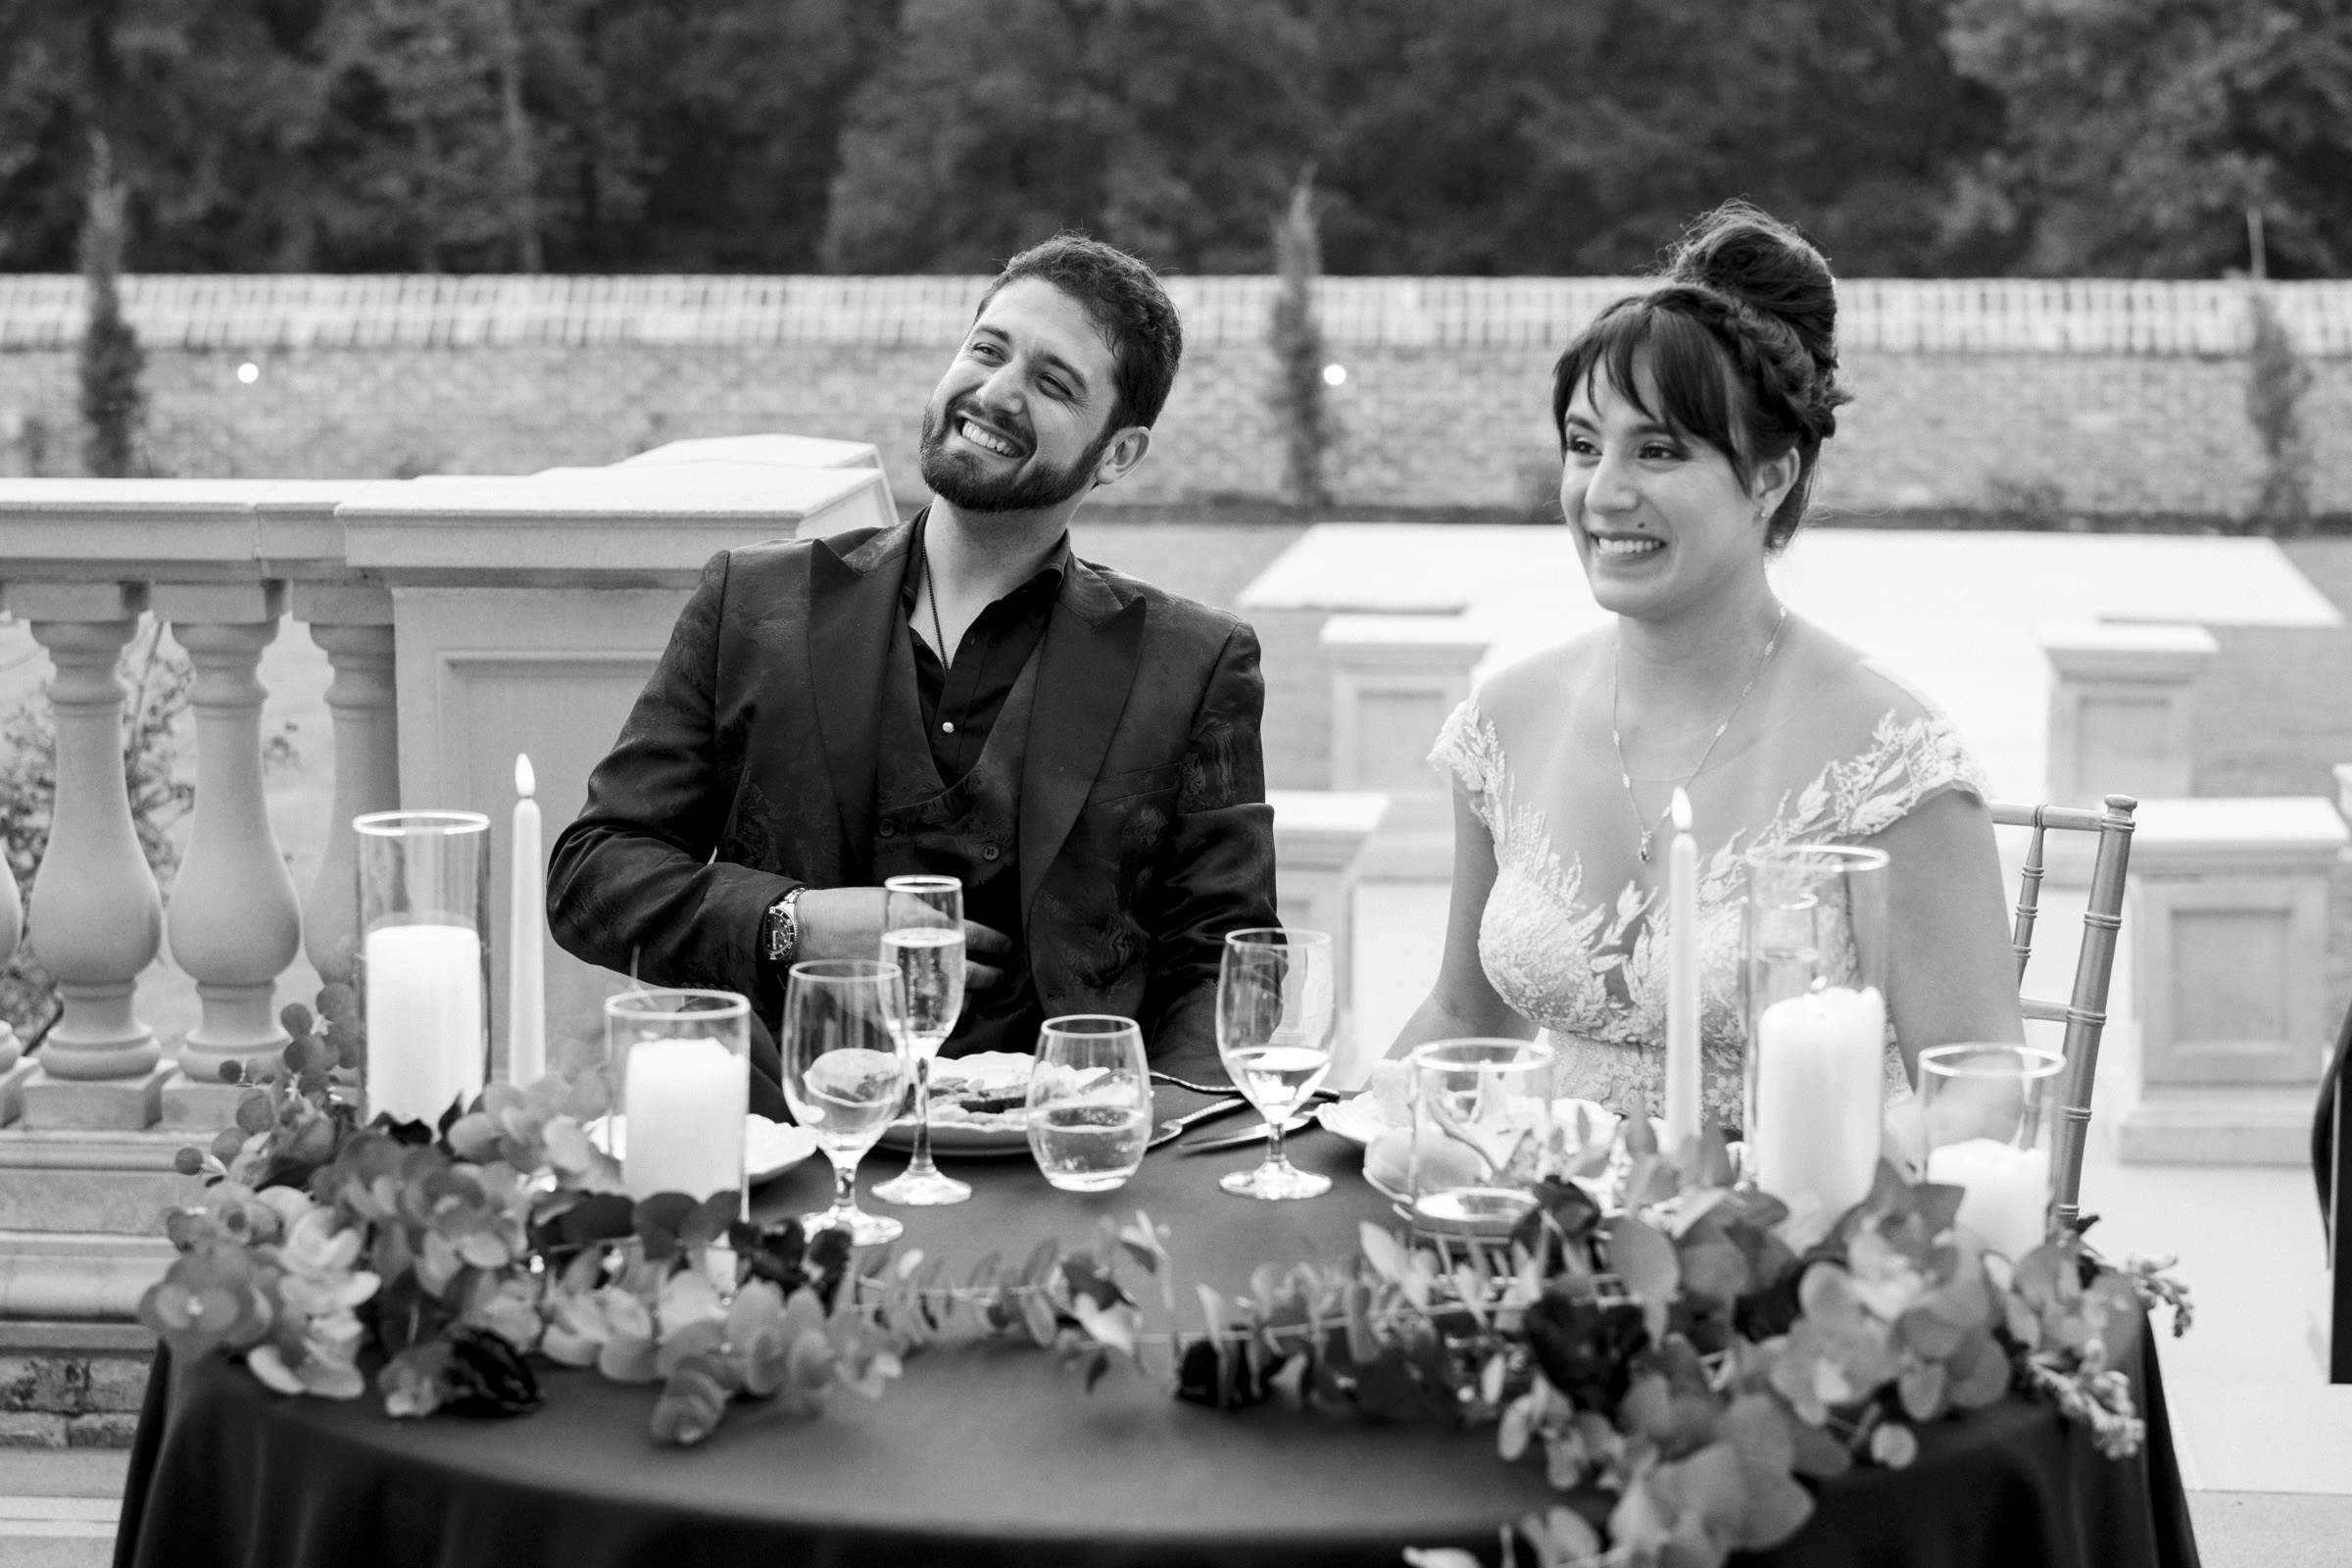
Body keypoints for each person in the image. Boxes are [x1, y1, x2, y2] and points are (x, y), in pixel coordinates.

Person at [548, 234, 1277, 1117]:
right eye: (987, 349)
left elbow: (1229, 965)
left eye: (1053, 383)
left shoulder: (1194, 662)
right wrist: (798, 922)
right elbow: (592, 876)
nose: (997, 393)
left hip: (1059, 1178)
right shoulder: (752, 603)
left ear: (1118, 454)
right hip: (792, 1154)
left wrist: (1136, 1139)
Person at [1389, 202, 2021, 1128]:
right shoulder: (1505, 724)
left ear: (1770, 476)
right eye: (1581, 445)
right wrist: (1330, 1137)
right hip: (1533, 1242)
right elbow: (1459, 1017)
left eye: (1658, 451)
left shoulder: (1890, 760)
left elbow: (1981, 1087)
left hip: (1782, 1244)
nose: (1604, 494)